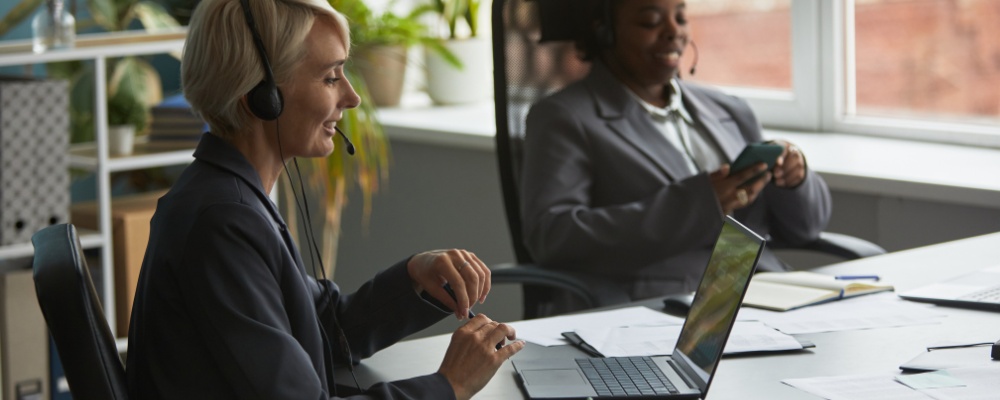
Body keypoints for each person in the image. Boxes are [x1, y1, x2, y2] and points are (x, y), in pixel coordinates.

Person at [125, 0, 524, 398]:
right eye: (331, 77)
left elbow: (321, 327)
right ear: (261, 94)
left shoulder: (228, 197)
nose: (353, 97)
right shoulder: (222, 222)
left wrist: (413, 278)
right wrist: (448, 385)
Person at [520, 0, 832, 312]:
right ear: (604, 30)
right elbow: (553, 237)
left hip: (767, 300)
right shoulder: (564, 117)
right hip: (665, 311)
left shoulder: (728, 109)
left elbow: (807, 227)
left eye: (681, 18)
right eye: (650, 22)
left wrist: (794, 179)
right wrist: (701, 203)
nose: (673, 32)